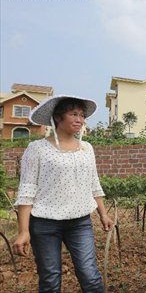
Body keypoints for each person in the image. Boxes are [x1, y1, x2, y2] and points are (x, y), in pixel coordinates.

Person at [12, 95, 113, 292]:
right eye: (73, 114)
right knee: (50, 280)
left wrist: (103, 214)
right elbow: (26, 190)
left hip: (80, 222)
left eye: (82, 115)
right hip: (44, 223)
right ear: (58, 117)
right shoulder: (37, 149)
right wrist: (23, 231)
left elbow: (94, 183)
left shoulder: (87, 148)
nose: (80, 120)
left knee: (90, 276)